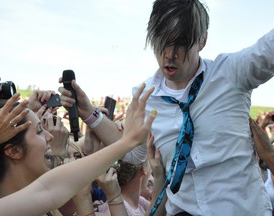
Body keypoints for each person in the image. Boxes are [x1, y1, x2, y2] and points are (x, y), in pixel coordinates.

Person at [59, 0, 274, 215]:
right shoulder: (144, 95)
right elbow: (133, 152)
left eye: (180, 44)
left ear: (202, 40)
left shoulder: (232, 73)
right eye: (161, 42)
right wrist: (88, 112)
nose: (169, 55)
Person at [0, 83, 156, 215]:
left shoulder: (45, 207)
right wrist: (127, 142)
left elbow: (52, 188)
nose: (50, 136)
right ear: (13, 151)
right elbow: (53, 187)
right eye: (39, 131)